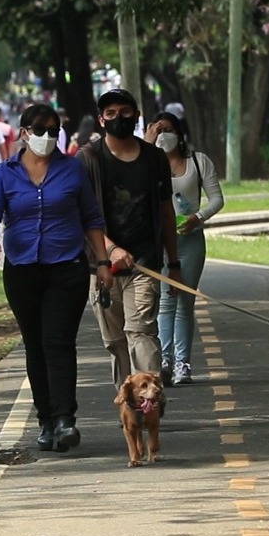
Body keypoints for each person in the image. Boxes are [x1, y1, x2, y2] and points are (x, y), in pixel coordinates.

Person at [0, 104, 113, 452]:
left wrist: (104, 263)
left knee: (59, 342)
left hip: (66, 267)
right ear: (24, 133)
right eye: (40, 130)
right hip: (21, 269)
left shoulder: (72, 170)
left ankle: (66, 419)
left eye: (54, 130)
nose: (47, 137)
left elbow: (91, 218)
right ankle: (46, 421)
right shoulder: (4, 174)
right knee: (35, 345)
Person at [77, 88, 181, 392]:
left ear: (136, 116)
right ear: (101, 119)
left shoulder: (154, 158)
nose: (117, 118)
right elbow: (82, 215)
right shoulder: (88, 159)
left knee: (142, 333)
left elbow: (165, 212)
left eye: (124, 112)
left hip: (144, 263)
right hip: (102, 268)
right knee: (116, 342)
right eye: (110, 113)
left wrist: (173, 263)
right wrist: (109, 250)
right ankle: (129, 401)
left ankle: (150, 400)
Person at [143, 111, 225, 386]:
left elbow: (216, 199)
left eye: (168, 129)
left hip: (190, 240)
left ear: (179, 134)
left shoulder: (198, 162)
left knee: (185, 302)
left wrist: (197, 218)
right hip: (159, 241)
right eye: (158, 130)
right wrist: (146, 144)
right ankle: (164, 361)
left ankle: (183, 363)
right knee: (165, 301)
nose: (163, 134)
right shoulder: (147, 163)